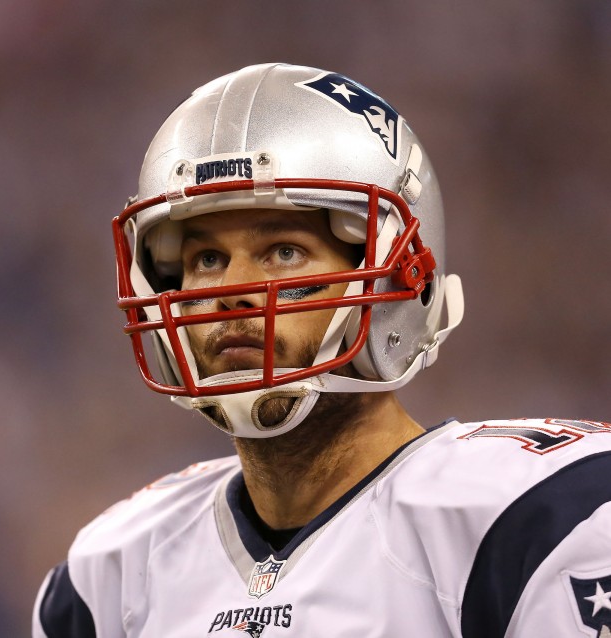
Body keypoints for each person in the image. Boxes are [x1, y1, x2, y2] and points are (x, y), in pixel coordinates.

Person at [32, 63, 611, 637]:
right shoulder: (108, 578)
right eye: (206, 260)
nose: (233, 293)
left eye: (283, 251)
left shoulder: (536, 520)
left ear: (394, 281)